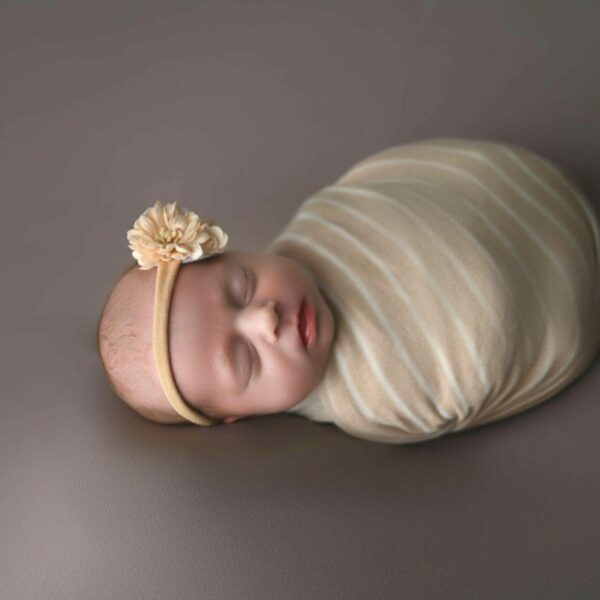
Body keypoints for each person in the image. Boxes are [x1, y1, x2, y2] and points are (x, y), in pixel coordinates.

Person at [97, 138, 600, 444]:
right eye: (246, 360)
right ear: (236, 416)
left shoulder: (325, 221)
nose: (265, 320)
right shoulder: (376, 401)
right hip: (572, 300)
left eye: (242, 285)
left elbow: (390, 190)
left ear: (241, 252)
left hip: (522, 188)